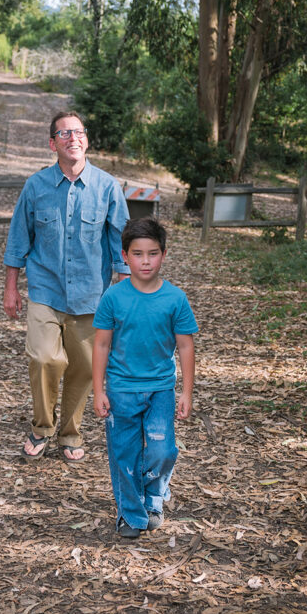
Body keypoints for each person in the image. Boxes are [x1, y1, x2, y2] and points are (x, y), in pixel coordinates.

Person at [3, 110, 129, 463]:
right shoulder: (36, 187)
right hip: (46, 291)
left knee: (85, 368)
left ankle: (70, 433)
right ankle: (42, 427)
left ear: (86, 140)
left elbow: (121, 244)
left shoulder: (107, 187)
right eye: (64, 134)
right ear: (52, 144)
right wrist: (11, 287)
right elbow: (18, 240)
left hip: (93, 297)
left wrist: (125, 295)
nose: (73, 138)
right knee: (45, 358)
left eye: (79, 132)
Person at [92, 216, 198, 538]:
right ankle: (131, 513)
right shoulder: (113, 297)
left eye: (152, 253)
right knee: (124, 453)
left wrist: (187, 392)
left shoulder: (175, 299)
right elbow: (101, 344)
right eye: (137, 254)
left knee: (162, 450)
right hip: (122, 388)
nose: (146, 261)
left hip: (160, 389)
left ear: (163, 254)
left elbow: (185, 345)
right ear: (124, 256)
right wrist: (98, 391)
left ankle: (153, 497)